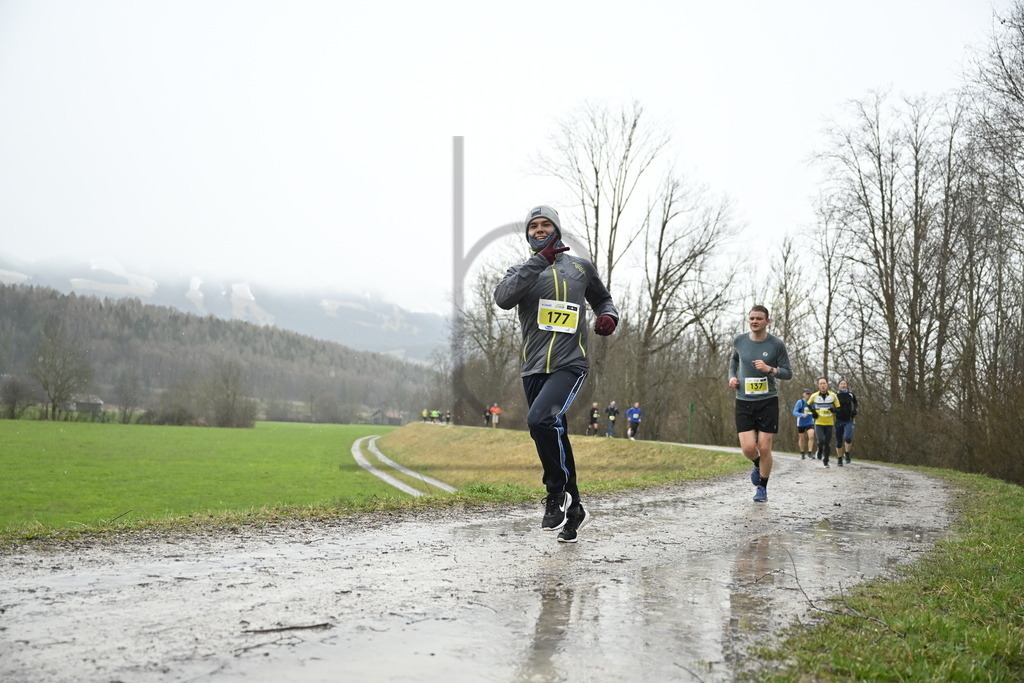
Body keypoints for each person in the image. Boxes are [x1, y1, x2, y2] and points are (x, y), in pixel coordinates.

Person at [494, 204, 619, 543]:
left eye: (545, 224)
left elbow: (603, 300)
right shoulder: (520, 270)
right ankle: (575, 508)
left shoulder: (580, 268)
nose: (538, 229)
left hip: (570, 363)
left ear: (557, 229)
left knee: (539, 421)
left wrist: (608, 317)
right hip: (533, 367)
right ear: (527, 234)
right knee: (555, 433)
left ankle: (556, 494)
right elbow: (503, 299)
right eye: (533, 226)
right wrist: (539, 260)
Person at [728, 305, 793, 502]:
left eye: (759, 318)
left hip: (767, 401)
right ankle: (757, 464)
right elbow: (734, 361)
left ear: (768, 321)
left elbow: (788, 373)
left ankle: (762, 488)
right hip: (744, 400)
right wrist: (732, 377)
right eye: (752, 318)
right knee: (748, 448)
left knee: (765, 448)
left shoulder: (776, 344)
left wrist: (770, 369)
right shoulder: (739, 340)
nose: (754, 321)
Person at [807, 377, 841, 467]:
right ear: (818, 386)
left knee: (827, 442)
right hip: (819, 423)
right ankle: (820, 450)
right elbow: (808, 404)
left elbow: (838, 408)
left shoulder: (833, 395)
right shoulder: (814, 396)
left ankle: (826, 461)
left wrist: (833, 410)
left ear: (827, 385)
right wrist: (813, 412)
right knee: (821, 440)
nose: (822, 385)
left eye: (824, 383)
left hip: (829, 423)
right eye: (820, 384)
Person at [834, 379, 858, 464]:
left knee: (848, 437)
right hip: (839, 420)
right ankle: (839, 458)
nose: (843, 385)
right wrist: (835, 410)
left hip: (849, 420)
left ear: (846, 385)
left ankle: (847, 453)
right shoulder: (835, 395)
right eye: (841, 384)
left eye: (844, 384)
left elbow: (855, 403)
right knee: (839, 441)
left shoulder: (850, 395)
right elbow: (832, 405)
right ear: (839, 385)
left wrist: (854, 410)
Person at [792, 389, 815, 459]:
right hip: (801, 423)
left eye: (809, 394)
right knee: (802, 438)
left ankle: (810, 452)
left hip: (810, 422)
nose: (808, 395)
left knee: (811, 436)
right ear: (803, 395)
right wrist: (801, 415)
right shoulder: (800, 402)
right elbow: (794, 412)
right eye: (807, 394)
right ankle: (802, 452)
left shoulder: (812, 402)